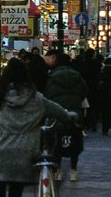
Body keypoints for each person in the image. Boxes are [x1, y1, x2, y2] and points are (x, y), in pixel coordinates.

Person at [0, 58, 77, 197]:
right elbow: (59, 112)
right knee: (16, 191)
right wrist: (70, 116)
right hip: (24, 151)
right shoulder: (36, 98)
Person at [42, 49, 87, 182]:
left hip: (57, 112)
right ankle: (73, 170)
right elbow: (84, 91)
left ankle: (59, 171)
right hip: (74, 112)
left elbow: (47, 94)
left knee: (57, 141)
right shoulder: (77, 76)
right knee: (75, 139)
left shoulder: (52, 76)